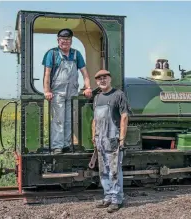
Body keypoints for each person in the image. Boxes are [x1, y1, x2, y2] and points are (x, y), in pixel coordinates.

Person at [42, 28, 92, 154]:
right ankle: (57, 146)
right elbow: (47, 74)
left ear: (71, 41)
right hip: (57, 92)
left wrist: (88, 87)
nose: (65, 42)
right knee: (58, 119)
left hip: (72, 92)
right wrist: (47, 91)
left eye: (68, 40)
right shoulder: (52, 54)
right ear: (58, 40)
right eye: (63, 39)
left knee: (69, 119)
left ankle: (66, 144)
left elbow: (85, 73)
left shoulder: (76, 54)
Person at [91, 69, 130, 213]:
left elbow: (124, 117)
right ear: (97, 81)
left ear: (110, 79)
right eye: (99, 78)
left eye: (105, 77)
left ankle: (117, 199)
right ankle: (107, 196)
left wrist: (122, 138)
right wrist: (94, 137)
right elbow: (95, 119)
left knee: (114, 170)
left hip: (113, 137)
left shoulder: (118, 95)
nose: (102, 80)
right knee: (104, 170)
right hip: (100, 139)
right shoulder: (97, 97)